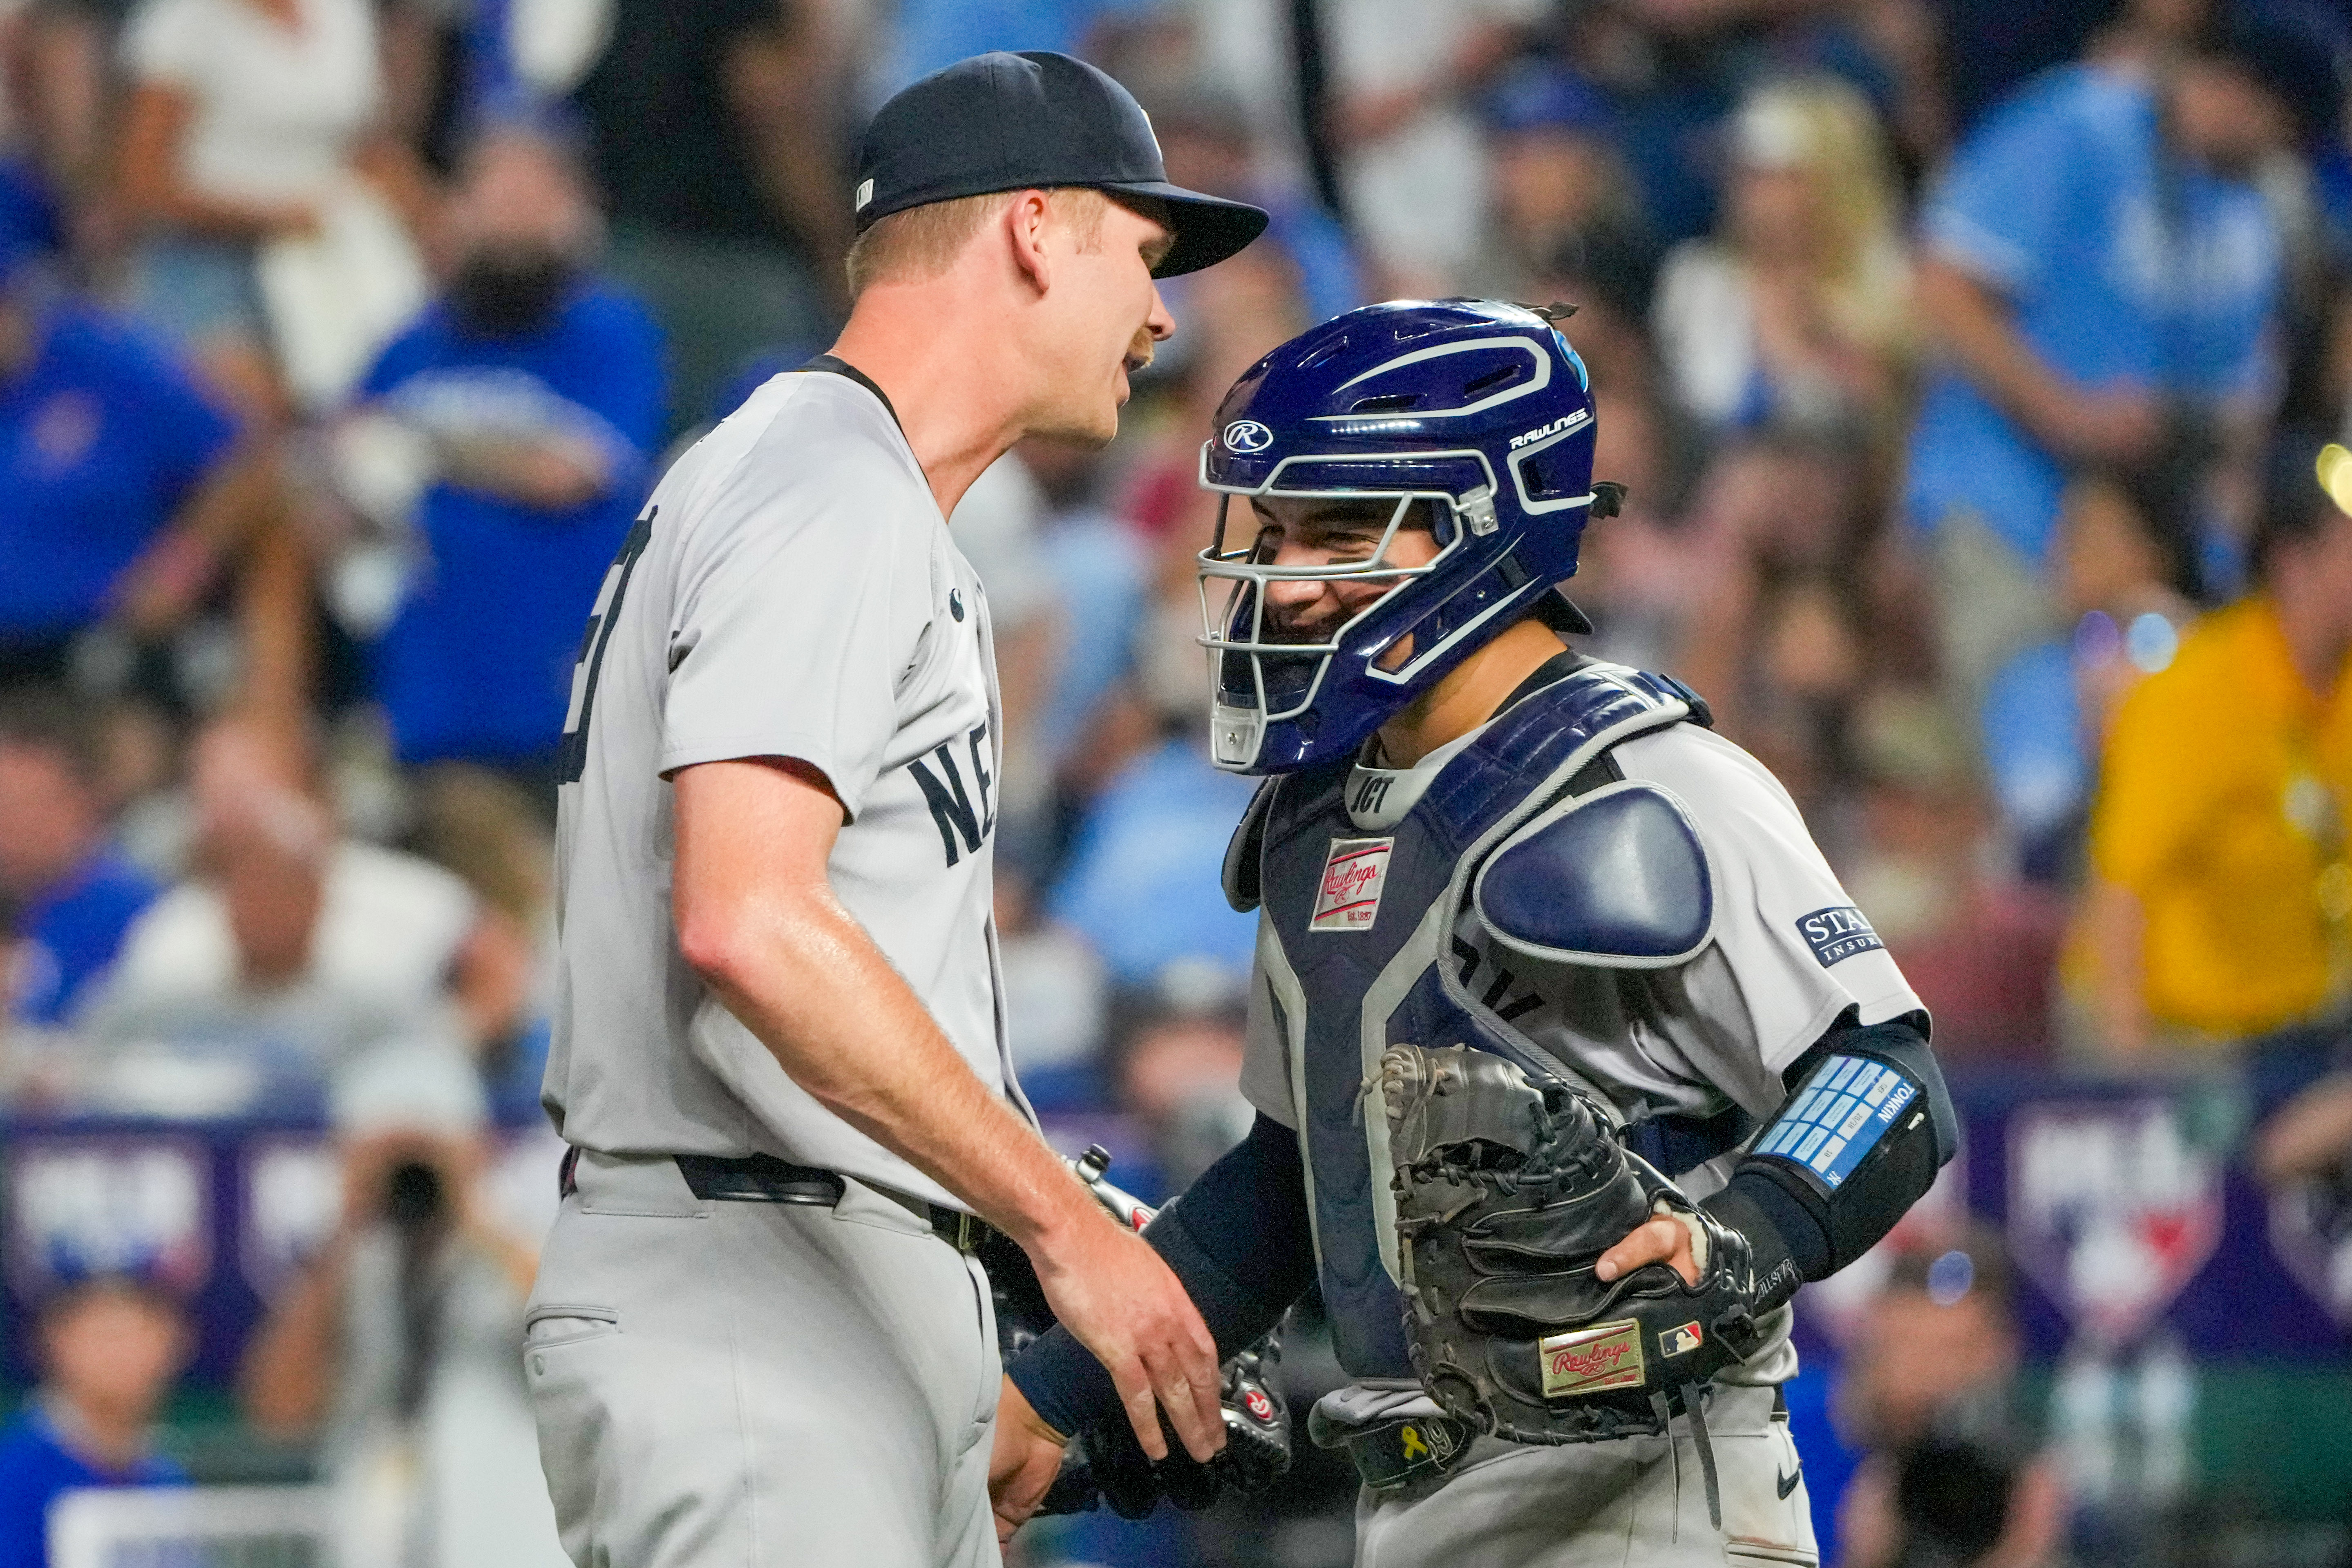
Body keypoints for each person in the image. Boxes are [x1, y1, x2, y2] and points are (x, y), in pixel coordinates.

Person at [992, 299, 1958, 1565]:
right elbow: (1297, 1181)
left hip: (1641, 1496)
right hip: (1411, 1500)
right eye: (1273, 533)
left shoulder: (1652, 782)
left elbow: (1887, 1074)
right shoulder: (1319, 817)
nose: (1283, 576)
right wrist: (1060, 1392)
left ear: (1481, 530)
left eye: (1339, 531)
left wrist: (1743, 1238)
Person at [524, 50, 1267, 1568]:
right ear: (1035, 229)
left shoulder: (824, 485)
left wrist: (969, 1283)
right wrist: (1062, 1232)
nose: (1162, 311)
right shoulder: (828, 488)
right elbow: (748, 915)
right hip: (748, 1293)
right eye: (1141, 251)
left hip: (808, 1290)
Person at [1904, 13, 2322, 721]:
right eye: (2277, 121)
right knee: (2032, 725)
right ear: (2232, 86)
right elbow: (1945, 286)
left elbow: (2248, 394)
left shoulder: (2257, 201)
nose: (2279, 146)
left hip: (2159, 523)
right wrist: (2067, 411)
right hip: (2005, 494)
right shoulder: (2080, 126)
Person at [340, 121, 664, 793]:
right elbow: (343, 456)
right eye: (495, 198)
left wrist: (425, 447)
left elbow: (570, 473)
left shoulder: (608, 335)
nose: (513, 219)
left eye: (534, 200)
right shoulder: (412, 347)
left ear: (576, 216)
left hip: (562, 695)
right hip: (427, 692)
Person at [2080, 432, 2352, 1056]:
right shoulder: (2198, 692)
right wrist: (2130, 1083)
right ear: (2293, 563)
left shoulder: (2341, 684)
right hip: (2184, 1035)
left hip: (2300, 1031)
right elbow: (2121, 888)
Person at [242, 1043, 563, 1568]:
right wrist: (347, 1225)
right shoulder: (349, 1269)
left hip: (513, 1544)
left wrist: (470, 1206)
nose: (409, 1170)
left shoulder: (522, 1253)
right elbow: (277, 1411)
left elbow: (577, 1354)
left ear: (479, 1149)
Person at [0, 1274, 190, 1568]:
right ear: (57, 1341)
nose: (126, 1355)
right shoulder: (14, 1474)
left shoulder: (166, 1477)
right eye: (107, 1335)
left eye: (142, 1333)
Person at [0, 688, 160, 1030]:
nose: (7, 827)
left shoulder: (136, 914)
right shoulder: (13, 896)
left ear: (82, 804)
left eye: (24, 807)